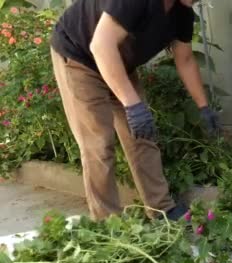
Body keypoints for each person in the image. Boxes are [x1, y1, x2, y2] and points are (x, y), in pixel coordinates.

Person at [49, 0, 220, 221]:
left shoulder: (182, 13)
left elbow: (185, 59)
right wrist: (133, 105)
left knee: (142, 135)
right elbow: (101, 45)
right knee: (98, 144)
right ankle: (108, 223)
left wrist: (203, 106)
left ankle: (161, 209)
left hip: (117, 60)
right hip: (79, 55)